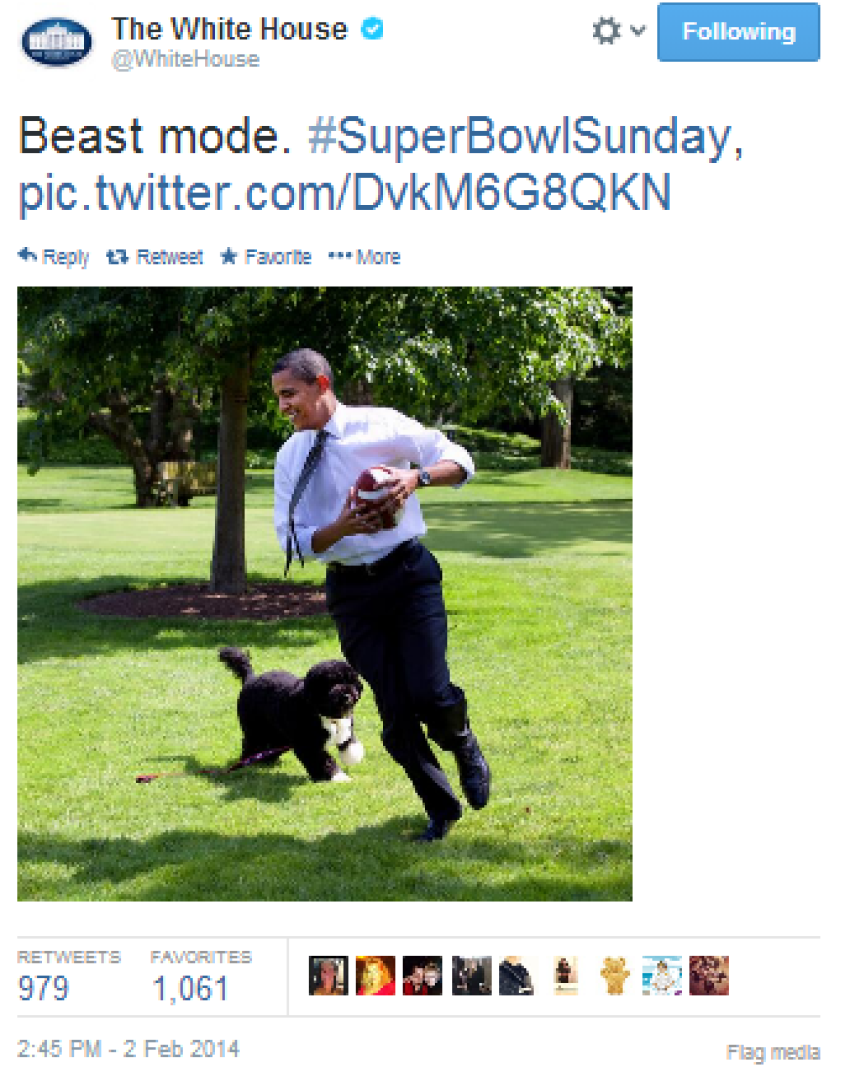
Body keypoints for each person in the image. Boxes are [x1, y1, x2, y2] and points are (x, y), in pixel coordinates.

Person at [272, 348, 491, 842]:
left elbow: (461, 460)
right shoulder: (290, 456)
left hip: (408, 576)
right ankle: (441, 809)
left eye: (291, 394)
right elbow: (291, 539)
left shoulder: (381, 426)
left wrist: (415, 478)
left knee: (431, 694)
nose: (284, 406)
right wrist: (340, 527)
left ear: (321, 385)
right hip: (352, 595)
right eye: (279, 397)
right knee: (394, 715)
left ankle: (463, 744)